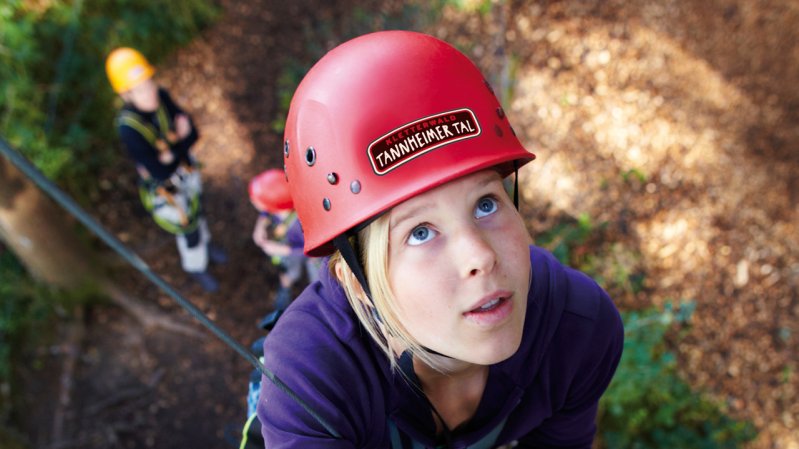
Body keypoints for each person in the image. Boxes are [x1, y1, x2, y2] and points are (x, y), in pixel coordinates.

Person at [256, 31, 624, 448]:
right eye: (420, 232)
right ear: (356, 281)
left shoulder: (576, 328)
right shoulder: (312, 377)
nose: (480, 257)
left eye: (486, 203)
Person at [105, 47, 225, 292]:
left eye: (149, 83)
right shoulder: (129, 129)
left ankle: (206, 245)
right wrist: (180, 143)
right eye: (140, 89)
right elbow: (160, 171)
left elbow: (193, 134)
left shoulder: (161, 96)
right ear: (127, 94)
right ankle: (196, 267)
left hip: (185, 170)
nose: (150, 93)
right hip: (168, 186)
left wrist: (173, 151)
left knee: (198, 209)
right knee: (187, 227)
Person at [248, 168, 320, 329]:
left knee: (318, 278)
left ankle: (319, 300)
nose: (253, 201)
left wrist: (282, 251)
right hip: (288, 250)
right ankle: (286, 286)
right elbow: (267, 212)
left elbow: (312, 248)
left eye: (258, 201)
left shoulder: (300, 223)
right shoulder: (277, 209)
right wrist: (260, 225)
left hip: (309, 256)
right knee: (290, 273)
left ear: (277, 205)